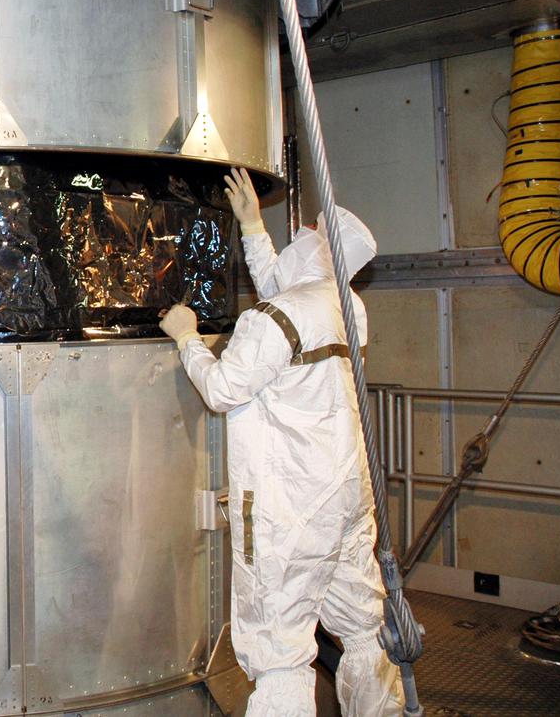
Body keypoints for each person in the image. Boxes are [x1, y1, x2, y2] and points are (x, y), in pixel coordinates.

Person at [159, 169, 403, 717]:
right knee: (363, 626)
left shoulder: (275, 318)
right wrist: (251, 226)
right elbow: (286, 294)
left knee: (280, 647)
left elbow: (222, 389)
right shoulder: (347, 307)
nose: (301, 235)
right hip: (345, 497)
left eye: (309, 232)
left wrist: (187, 338)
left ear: (318, 249)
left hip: (288, 510)